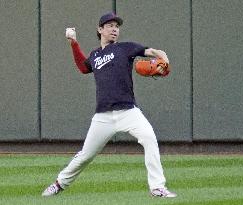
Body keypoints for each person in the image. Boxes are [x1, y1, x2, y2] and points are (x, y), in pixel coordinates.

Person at [42, 12, 176, 198]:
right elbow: (83, 67)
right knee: (85, 156)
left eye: (117, 26)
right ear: (100, 29)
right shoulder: (95, 55)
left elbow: (155, 52)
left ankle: (157, 187)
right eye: (110, 25)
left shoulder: (126, 48)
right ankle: (59, 184)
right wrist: (73, 42)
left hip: (128, 111)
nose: (114, 29)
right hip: (103, 116)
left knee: (149, 139)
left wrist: (165, 60)